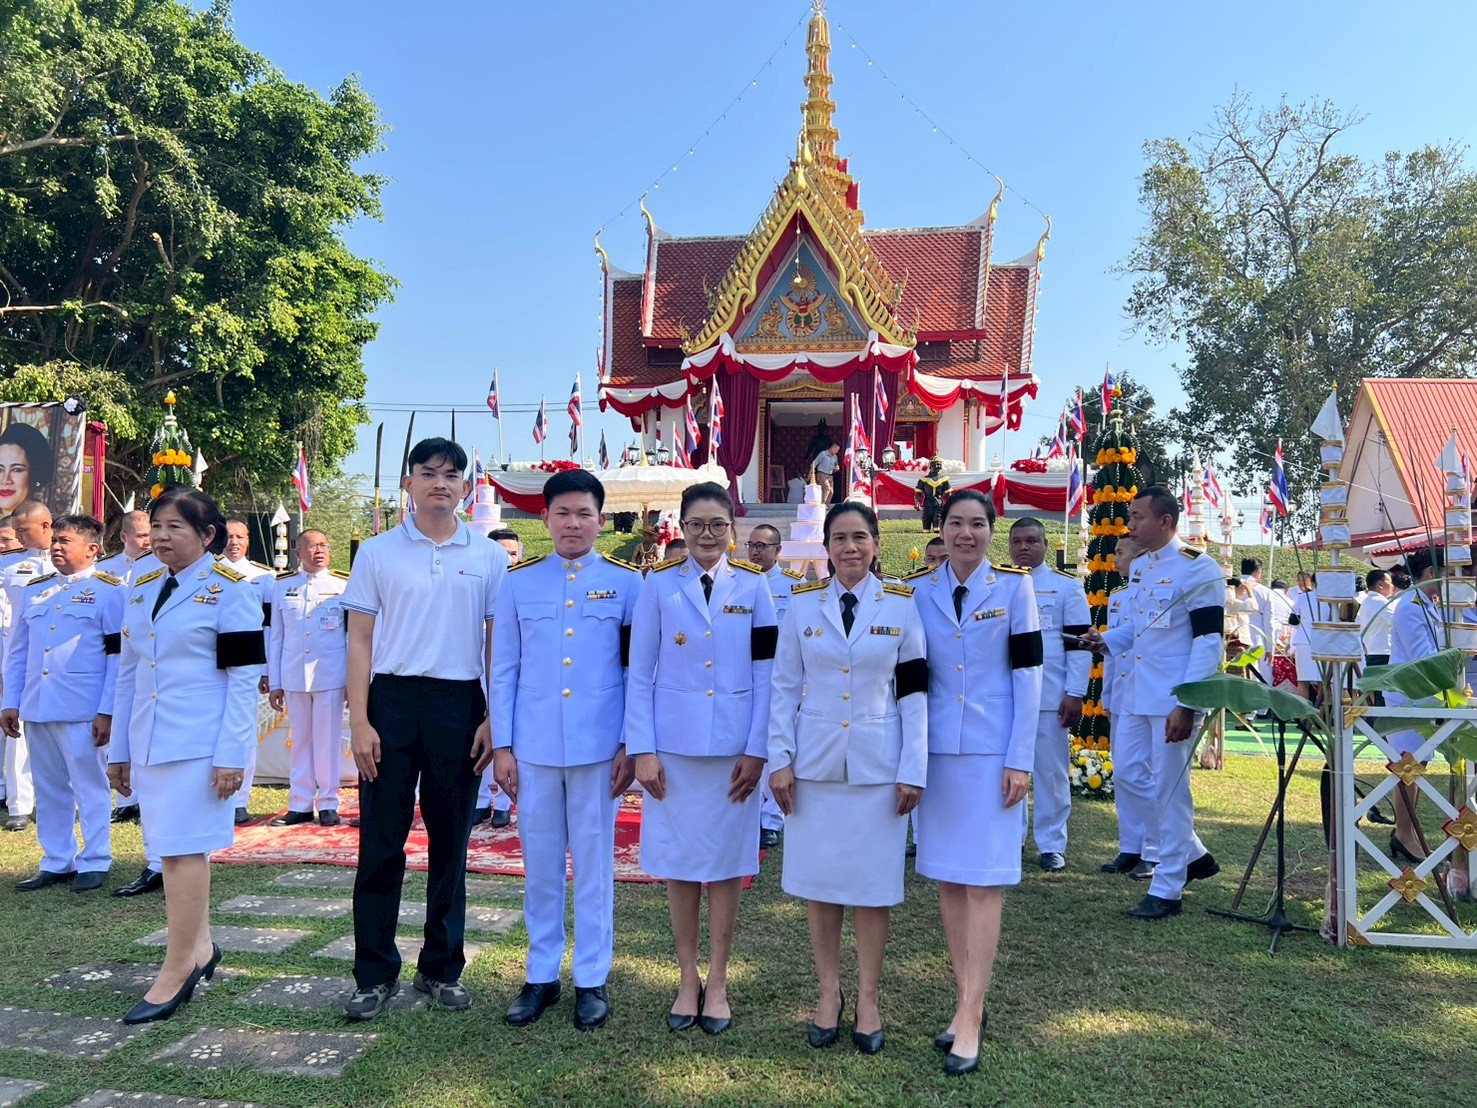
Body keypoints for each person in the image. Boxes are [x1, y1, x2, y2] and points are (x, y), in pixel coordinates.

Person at [340, 438, 509, 1021]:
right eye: (429, 472)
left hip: (458, 704)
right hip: (390, 701)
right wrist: (359, 720)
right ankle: (374, 972)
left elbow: (497, 645)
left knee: (450, 841)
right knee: (381, 841)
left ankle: (441, 967)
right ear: (407, 483)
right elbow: (358, 641)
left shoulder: (488, 555)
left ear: (467, 486)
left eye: (452, 474)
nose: (441, 482)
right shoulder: (378, 552)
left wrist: (494, 716)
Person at [768, 502, 927, 1056]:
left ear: (877, 543)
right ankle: (828, 993)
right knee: (822, 885)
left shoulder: (903, 607)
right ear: (826, 547)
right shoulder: (802, 604)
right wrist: (779, 759)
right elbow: (784, 687)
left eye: (860, 537)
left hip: (879, 769)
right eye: (839, 538)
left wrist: (913, 767)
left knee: (872, 889)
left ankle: (869, 998)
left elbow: (913, 695)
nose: (849, 547)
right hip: (815, 767)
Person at [107, 486, 265, 1023]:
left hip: (201, 744)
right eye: (157, 526)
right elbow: (129, 672)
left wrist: (232, 755)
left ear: (207, 535)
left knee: (180, 852)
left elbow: (244, 681)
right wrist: (120, 750)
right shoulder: (142, 583)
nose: (162, 536)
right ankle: (199, 948)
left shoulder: (230, 590)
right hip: (151, 739)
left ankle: (177, 968)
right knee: (171, 849)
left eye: (176, 527)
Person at [491, 469, 640, 1032]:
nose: (573, 523)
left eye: (584, 514)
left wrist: (631, 741)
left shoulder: (628, 585)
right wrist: (502, 745)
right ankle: (540, 975)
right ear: (545, 518)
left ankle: (592, 979)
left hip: (600, 747)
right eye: (563, 513)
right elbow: (503, 669)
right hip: (533, 746)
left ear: (601, 520)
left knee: (595, 866)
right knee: (542, 864)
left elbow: (636, 671)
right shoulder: (518, 584)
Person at [627, 481, 776, 1035]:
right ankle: (687, 977)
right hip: (674, 752)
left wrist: (758, 750)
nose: (707, 534)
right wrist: (642, 750)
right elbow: (639, 673)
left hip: (736, 754)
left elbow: (767, 675)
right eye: (696, 525)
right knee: (682, 867)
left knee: (728, 868)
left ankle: (718, 980)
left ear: (732, 531)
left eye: (718, 524)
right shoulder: (658, 586)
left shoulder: (755, 588)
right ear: (682, 529)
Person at [907, 491, 1040, 1075]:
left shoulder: (1015, 588)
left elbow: (1029, 678)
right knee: (950, 883)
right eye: (956, 524)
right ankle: (963, 1004)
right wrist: (909, 759)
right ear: (941, 529)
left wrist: (1020, 758)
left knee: (984, 884)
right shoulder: (916, 591)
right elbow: (909, 681)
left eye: (978, 524)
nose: (966, 534)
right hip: (936, 756)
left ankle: (972, 1013)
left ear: (992, 530)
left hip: (992, 756)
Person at [1082, 488, 1224, 920]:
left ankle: (1168, 886)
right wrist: (1105, 642)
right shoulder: (1141, 567)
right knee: (1126, 775)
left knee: (1169, 790)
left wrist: (1187, 701)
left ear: (1166, 521)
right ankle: (1193, 854)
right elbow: (1139, 632)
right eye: (1129, 516)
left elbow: (1207, 640)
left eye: (1138, 517)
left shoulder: (1199, 569)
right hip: (1136, 693)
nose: (1130, 525)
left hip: (1171, 698)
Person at [1, 514, 123, 892]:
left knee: (89, 785)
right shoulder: (36, 590)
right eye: (55, 540)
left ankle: (96, 858)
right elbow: (19, 650)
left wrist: (107, 710)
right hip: (39, 705)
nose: (55, 546)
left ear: (93, 549)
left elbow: (116, 657)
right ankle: (56, 859)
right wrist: (11, 701)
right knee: (49, 786)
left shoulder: (111, 590)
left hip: (83, 708)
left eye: (65, 541)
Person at [1007, 517, 1089, 873]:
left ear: (1044, 544)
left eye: (1031, 541)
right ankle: (1010, 839)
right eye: (1017, 541)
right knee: (1005, 773)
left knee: (1051, 774)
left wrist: (1075, 692)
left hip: (1049, 697)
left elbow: (1080, 646)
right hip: (1005, 698)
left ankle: (1052, 844)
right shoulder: (999, 585)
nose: (1024, 547)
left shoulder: (1066, 588)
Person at [266, 530, 350, 827]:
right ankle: (300, 803)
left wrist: (353, 680)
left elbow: (352, 637)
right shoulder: (282, 586)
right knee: (300, 740)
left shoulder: (342, 585)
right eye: (312, 546)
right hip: (294, 674)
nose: (319, 551)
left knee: (327, 741)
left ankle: (328, 802)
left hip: (330, 673)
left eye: (324, 545)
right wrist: (275, 681)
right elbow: (276, 637)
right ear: (297, 552)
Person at [98, 509, 162, 829]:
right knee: (122, 728)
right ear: (124, 537)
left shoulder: (160, 567)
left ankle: (141, 797)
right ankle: (126, 801)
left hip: (149, 660)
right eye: (141, 535)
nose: (148, 540)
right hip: (119, 658)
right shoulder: (105, 570)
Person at [1098, 538, 1157, 879]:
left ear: (1140, 558)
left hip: (1147, 695)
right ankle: (1130, 847)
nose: (1114, 558)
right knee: (1123, 776)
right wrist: (1107, 695)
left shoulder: (1152, 592)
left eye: (1121, 552)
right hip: (1122, 695)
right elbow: (1113, 653)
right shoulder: (1118, 598)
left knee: (1144, 774)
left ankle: (1154, 849)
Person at [1385, 547, 1446, 863]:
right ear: (1430, 574)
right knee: (1407, 767)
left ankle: (1405, 833)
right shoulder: (1411, 606)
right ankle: (1404, 834)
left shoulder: (1427, 604)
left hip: (1421, 698)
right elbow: (1423, 656)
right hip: (1408, 697)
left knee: (1415, 768)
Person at [743, 522, 800, 847]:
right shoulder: (737, 583)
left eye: (762, 546)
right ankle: (749, 814)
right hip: (744, 682)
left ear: (778, 551)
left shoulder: (794, 587)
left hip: (781, 682)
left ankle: (772, 819)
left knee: (776, 750)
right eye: (751, 544)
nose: (754, 551)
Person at [1, 500, 53, 831]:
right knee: (18, 732)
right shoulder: (12, 569)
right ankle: (20, 803)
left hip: (63, 660)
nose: (18, 536)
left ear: (46, 526)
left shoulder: (76, 563)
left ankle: (57, 801)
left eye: (24, 530)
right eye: (15, 531)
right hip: (25, 657)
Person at [220, 519, 273, 824]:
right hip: (215, 664)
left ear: (249, 540)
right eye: (228, 536)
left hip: (249, 663)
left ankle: (241, 799)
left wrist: (265, 670)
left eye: (240, 536)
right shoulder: (207, 573)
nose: (234, 542)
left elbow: (268, 628)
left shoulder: (263, 577)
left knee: (244, 729)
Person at [474, 528, 523, 827]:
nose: (507, 559)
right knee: (478, 733)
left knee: (511, 733)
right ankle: (480, 800)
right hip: (477, 669)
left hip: (516, 672)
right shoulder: (475, 584)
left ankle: (505, 801)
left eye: (513, 553)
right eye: (500, 553)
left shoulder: (529, 584)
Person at [0, 421, 52, 518]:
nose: (5, 480)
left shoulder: (49, 529)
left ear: (35, 473)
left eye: (17, 470)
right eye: (0, 470)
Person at [914, 458, 951, 532]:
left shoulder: (944, 480)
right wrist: (917, 503)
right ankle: (926, 530)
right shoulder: (923, 480)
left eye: (939, 464)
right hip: (927, 502)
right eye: (936, 464)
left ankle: (936, 531)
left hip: (938, 503)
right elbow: (918, 493)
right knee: (926, 520)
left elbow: (948, 494)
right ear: (930, 466)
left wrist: (949, 504)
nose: (938, 466)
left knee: (937, 519)